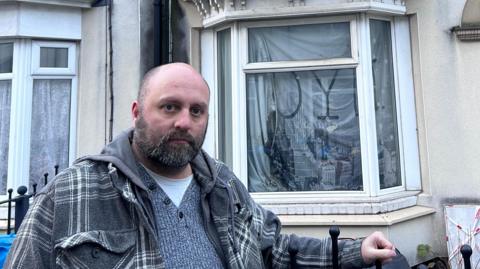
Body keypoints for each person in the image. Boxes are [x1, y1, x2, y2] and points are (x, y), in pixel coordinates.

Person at [4, 63, 396, 268]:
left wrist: (353, 252)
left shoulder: (224, 186)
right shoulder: (70, 194)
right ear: (137, 111)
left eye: (197, 110)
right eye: (169, 106)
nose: (184, 121)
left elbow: (276, 251)